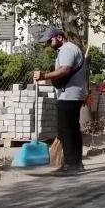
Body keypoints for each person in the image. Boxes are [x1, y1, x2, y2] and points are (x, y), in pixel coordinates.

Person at [33, 27, 87, 175]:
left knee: (67, 131)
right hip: (74, 95)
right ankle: (77, 164)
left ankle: (70, 165)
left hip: (68, 95)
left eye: (50, 40)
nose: (49, 44)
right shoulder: (70, 49)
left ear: (59, 37)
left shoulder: (67, 50)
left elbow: (65, 70)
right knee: (73, 130)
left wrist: (44, 76)